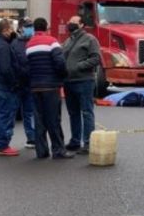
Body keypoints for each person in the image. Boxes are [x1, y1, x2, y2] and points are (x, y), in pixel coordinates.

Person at [25, 17, 73, 159]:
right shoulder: (52, 42)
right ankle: (58, 150)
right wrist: (62, 77)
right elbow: (60, 62)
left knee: (39, 120)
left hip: (35, 87)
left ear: (34, 28)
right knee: (53, 120)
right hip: (51, 86)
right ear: (46, 27)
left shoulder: (29, 45)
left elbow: (26, 66)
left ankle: (41, 151)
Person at [61, 15, 101, 154]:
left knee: (86, 112)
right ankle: (75, 141)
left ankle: (88, 143)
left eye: (73, 22)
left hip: (84, 81)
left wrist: (78, 66)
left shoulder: (90, 39)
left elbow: (96, 58)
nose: (70, 23)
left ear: (82, 25)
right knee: (73, 113)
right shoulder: (68, 40)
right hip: (69, 82)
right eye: (69, 21)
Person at [0, 19, 25, 157]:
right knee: (6, 116)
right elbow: (6, 68)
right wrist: (14, 83)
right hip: (6, 86)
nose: (13, 32)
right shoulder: (3, 47)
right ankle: (2, 145)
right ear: (5, 30)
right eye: (11, 29)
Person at [12, 17, 37, 149]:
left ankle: (32, 138)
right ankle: (3, 140)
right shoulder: (14, 43)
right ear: (20, 28)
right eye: (27, 26)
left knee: (29, 112)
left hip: (31, 83)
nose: (30, 29)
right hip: (17, 83)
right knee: (12, 112)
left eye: (31, 26)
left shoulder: (34, 42)